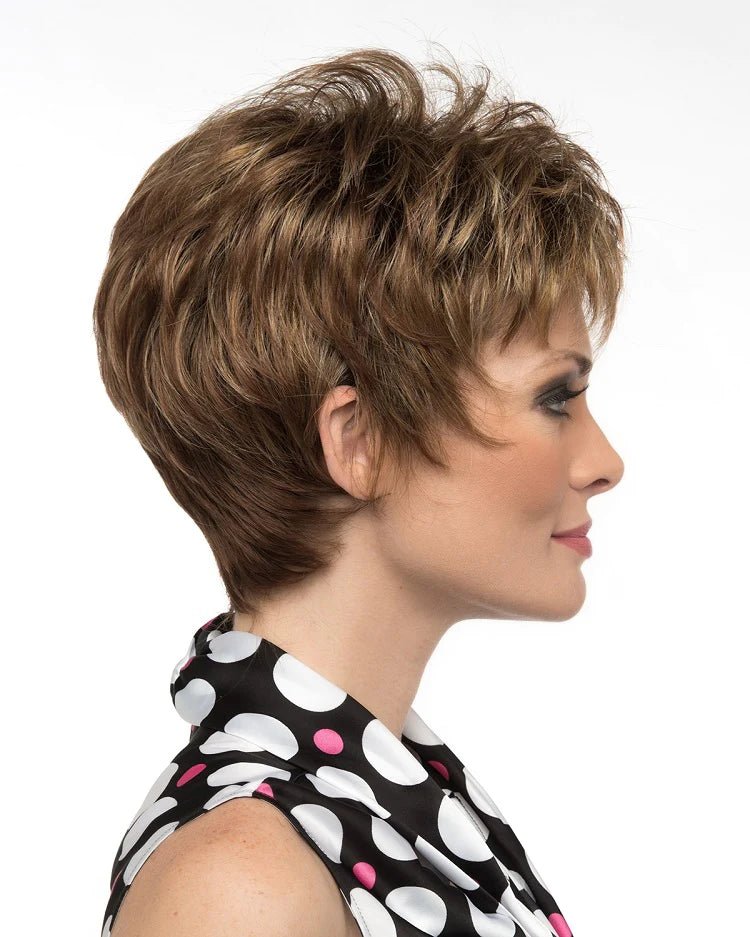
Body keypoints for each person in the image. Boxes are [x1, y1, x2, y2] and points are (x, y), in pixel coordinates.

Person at [94, 45, 626, 937]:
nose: (604, 461)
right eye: (555, 397)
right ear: (361, 438)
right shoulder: (245, 884)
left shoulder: (392, 807)